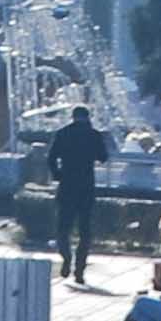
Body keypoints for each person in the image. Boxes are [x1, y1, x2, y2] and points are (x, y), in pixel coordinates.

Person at [44, 108, 105, 286]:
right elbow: (103, 157)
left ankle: (66, 257)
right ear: (88, 117)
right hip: (86, 186)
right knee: (85, 231)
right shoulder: (94, 135)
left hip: (67, 185)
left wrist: (57, 174)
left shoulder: (63, 133)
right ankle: (79, 270)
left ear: (73, 117)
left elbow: (51, 158)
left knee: (63, 228)